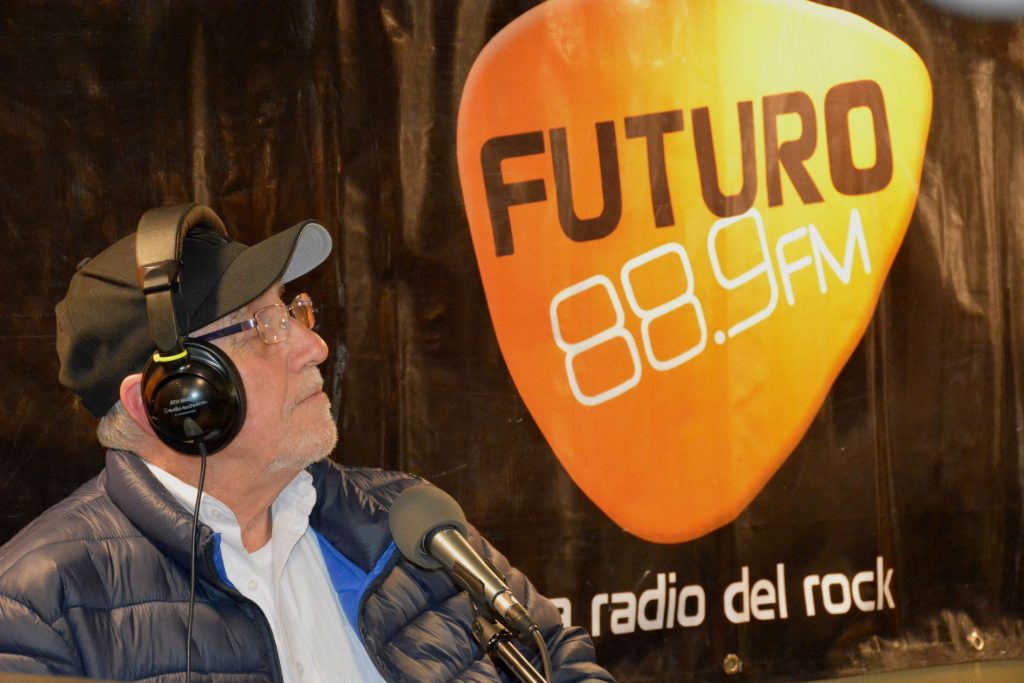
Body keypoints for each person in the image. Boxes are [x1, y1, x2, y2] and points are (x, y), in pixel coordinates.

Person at [0, 204, 614, 682]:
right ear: (173, 399)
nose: (314, 347)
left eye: (292, 311)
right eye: (262, 328)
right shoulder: (42, 606)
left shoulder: (407, 523)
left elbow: (558, 661)